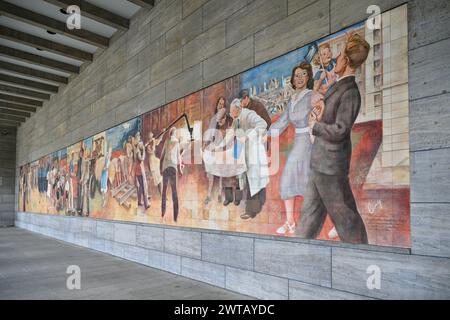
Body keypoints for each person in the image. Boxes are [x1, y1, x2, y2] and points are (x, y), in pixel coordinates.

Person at [296, 34, 370, 244]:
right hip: (320, 163)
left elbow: (340, 130)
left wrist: (315, 126)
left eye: (338, 56)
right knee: (308, 220)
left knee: (347, 220)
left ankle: (362, 254)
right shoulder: (339, 86)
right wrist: (319, 114)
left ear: (346, 61)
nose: (335, 60)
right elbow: (331, 117)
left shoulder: (350, 92)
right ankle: (297, 253)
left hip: (330, 168)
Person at [268, 62, 319, 234]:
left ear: (308, 77)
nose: (299, 78)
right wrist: (265, 133)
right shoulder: (292, 100)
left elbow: (321, 114)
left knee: (306, 180)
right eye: (296, 75)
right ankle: (290, 222)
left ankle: (312, 223)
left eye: (303, 74)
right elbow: (282, 122)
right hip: (299, 140)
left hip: (311, 141)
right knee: (291, 179)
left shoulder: (312, 95)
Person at [229, 98, 269, 220]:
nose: (231, 114)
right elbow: (233, 134)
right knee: (247, 180)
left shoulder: (248, 114)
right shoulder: (236, 120)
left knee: (254, 180)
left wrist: (248, 136)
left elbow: (263, 124)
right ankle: (258, 204)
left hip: (254, 152)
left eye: (232, 112)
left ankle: (251, 211)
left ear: (237, 109)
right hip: (244, 153)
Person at [203, 96, 227, 205]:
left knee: (220, 170)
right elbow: (209, 133)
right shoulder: (213, 118)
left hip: (221, 144)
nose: (221, 106)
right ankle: (208, 195)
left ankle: (219, 193)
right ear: (217, 104)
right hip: (213, 145)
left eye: (223, 104)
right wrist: (204, 145)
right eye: (219, 103)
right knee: (211, 172)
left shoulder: (223, 116)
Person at [161, 127, 183, 223]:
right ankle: (175, 217)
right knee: (174, 192)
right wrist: (180, 170)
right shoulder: (177, 142)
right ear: (175, 133)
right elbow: (178, 158)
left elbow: (162, 156)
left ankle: (163, 211)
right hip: (173, 168)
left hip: (165, 168)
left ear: (170, 133)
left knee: (164, 191)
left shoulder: (166, 142)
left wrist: (160, 168)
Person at [134, 132, 150, 210]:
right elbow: (142, 158)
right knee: (144, 186)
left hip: (137, 171)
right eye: (138, 137)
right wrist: (143, 150)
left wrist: (144, 146)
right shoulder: (138, 150)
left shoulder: (136, 148)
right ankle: (146, 204)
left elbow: (142, 146)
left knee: (140, 187)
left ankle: (139, 201)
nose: (140, 139)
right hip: (140, 170)